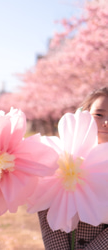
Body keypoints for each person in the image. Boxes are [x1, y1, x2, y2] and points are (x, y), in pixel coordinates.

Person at [38, 87, 108, 249]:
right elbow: (48, 213)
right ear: (84, 115)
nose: (106, 122)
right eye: (99, 114)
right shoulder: (60, 157)